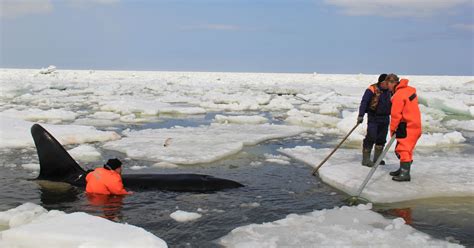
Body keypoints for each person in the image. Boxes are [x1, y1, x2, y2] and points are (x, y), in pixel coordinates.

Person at [386, 74, 422, 182]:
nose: (388, 87)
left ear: (392, 83)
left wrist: (392, 130)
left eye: (388, 85)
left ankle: (405, 174)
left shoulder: (398, 95)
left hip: (407, 125)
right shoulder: (408, 90)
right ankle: (402, 169)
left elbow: (396, 115)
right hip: (415, 125)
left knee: (403, 149)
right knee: (407, 149)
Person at [357, 74, 392, 167]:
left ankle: (377, 159)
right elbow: (364, 102)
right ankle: (366, 160)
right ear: (381, 82)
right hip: (374, 117)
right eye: (386, 82)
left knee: (381, 139)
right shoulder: (372, 89)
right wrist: (361, 115)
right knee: (371, 137)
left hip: (385, 118)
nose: (388, 84)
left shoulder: (390, 91)